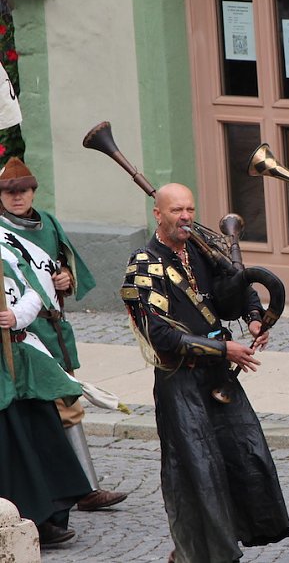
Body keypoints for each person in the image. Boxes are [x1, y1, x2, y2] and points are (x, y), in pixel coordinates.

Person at [121, 183, 289, 563]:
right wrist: (223, 348)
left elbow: (239, 280)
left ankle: (214, 547)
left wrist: (252, 321)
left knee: (244, 460)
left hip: (219, 377)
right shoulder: (144, 265)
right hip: (179, 381)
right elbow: (162, 336)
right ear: (158, 214)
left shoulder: (200, 246)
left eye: (189, 209)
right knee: (197, 472)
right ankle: (196, 554)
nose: (185, 217)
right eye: (176, 210)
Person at [0, 157, 127, 511]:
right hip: (24, 334)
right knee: (38, 412)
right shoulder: (0, 232)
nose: (17, 197)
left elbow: (64, 267)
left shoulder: (49, 223)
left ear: (33, 192)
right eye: (9, 193)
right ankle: (69, 490)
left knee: (68, 404)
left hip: (52, 328)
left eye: (22, 191)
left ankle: (82, 487)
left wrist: (65, 280)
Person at [0, 238, 92, 545]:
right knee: (10, 442)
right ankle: (23, 518)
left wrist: (16, 316)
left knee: (42, 429)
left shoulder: (7, 247)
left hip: (21, 359)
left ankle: (51, 513)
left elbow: (35, 289)